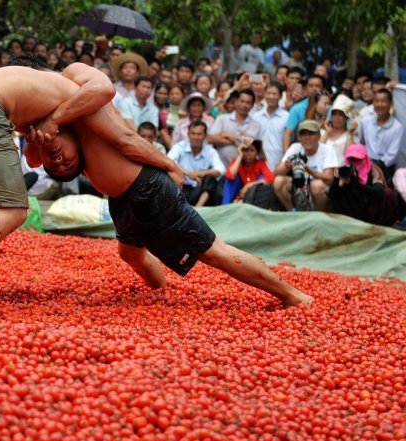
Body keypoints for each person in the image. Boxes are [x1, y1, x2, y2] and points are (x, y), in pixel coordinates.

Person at [0, 57, 180, 316]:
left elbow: (33, 159)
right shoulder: (70, 89)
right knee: (14, 210)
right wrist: (169, 164)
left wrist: (47, 125)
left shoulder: (25, 89)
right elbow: (111, 105)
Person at [27, 103, 312, 308]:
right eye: (57, 164)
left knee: (214, 252)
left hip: (148, 188)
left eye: (59, 157)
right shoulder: (49, 129)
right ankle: (161, 294)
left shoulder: (81, 103)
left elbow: (127, 134)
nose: (59, 161)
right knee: (130, 253)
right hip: (122, 201)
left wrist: (169, 164)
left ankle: (292, 295)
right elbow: (32, 159)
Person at [273, 120, 339, 212]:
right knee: (279, 181)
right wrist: (286, 167)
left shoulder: (327, 150)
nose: (307, 137)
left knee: (316, 185)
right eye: (303, 134)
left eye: (311, 134)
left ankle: (321, 216)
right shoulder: (295, 147)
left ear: (319, 136)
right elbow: (276, 173)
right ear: (299, 137)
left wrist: (308, 169)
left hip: (320, 190)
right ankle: (293, 212)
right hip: (301, 187)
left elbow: (329, 178)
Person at [328, 144, 398, 226]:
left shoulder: (374, 170)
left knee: (387, 193)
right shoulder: (344, 171)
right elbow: (332, 195)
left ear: (365, 158)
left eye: (358, 160)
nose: (354, 163)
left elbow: (379, 191)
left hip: (372, 212)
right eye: (351, 159)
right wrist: (338, 180)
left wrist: (357, 184)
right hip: (352, 213)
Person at [168, 120, 225, 206]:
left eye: (199, 134)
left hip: (199, 191)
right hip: (180, 187)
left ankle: (198, 208)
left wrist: (200, 173)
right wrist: (188, 174)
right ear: (188, 135)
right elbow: (169, 160)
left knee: (210, 178)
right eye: (193, 133)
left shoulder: (210, 151)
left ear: (205, 136)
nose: (196, 137)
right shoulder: (180, 146)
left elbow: (221, 169)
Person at [357, 89, 404, 181]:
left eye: (383, 101)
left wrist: (375, 166)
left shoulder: (397, 127)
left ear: (391, 104)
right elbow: (361, 143)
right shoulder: (365, 122)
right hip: (364, 165)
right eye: (376, 101)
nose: (379, 104)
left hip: (385, 169)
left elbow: (391, 155)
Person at [207, 88, 261, 167]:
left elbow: (248, 145)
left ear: (252, 106)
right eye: (242, 101)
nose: (244, 105)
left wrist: (227, 135)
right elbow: (210, 139)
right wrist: (240, 139)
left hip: (243, 169)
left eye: (248, 103)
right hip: (221, 167)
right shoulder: (222, 118)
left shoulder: (255, 124)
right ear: (236, 102)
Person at [282, 74, 326, 151]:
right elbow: (288, 133)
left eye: (317, 86)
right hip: (303, 150)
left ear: (323, 88)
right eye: (311, 86)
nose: (314, 89)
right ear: (305, 89)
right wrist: (286, 155)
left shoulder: (329, 107)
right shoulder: (297, 108)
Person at [223, 139, 274, 204]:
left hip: (254, 195)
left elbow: (271, 178)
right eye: (246, 150)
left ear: (257, 153)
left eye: (252, 150)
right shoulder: (237, 162)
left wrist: (249, 185)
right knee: (231, 180)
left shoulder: (260, 163)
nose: (248, 153)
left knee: (261, 179)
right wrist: (240, 155)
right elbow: (229, 175)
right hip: (239, 194)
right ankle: (225, 207)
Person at [252, 82, 289, 169]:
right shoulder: (256, 116)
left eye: (274, 94)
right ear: (264, 94)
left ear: (280, 96)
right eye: (268, 93)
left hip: (278, 159)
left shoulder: (286, 116)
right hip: (258, 159)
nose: (271, 97)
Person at [321, 94, 354, 166]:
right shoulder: (323, 132)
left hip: (341, 172)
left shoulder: (350, 135)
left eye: (341, 115)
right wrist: (327, 132)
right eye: (334, 114)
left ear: (346, 117)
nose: (337, 118)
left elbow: (349, 155)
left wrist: (350, 133)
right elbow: (317, 150)